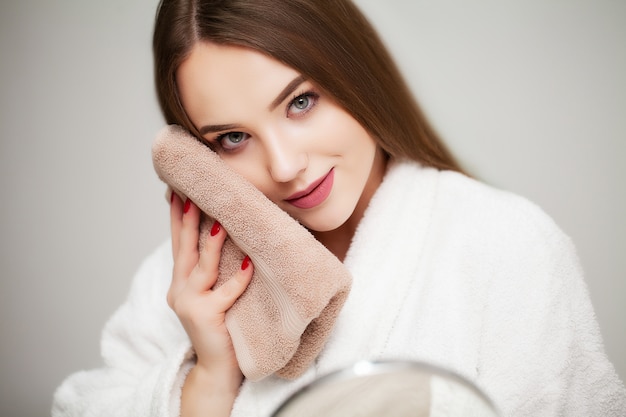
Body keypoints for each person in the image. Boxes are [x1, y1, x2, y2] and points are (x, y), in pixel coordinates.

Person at [52, 0, 626, 416]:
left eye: (301, 101)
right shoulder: (187, 283)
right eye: (231, 138)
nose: (283, 165)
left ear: (355, 74)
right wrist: (208, 379)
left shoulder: (504, 244)